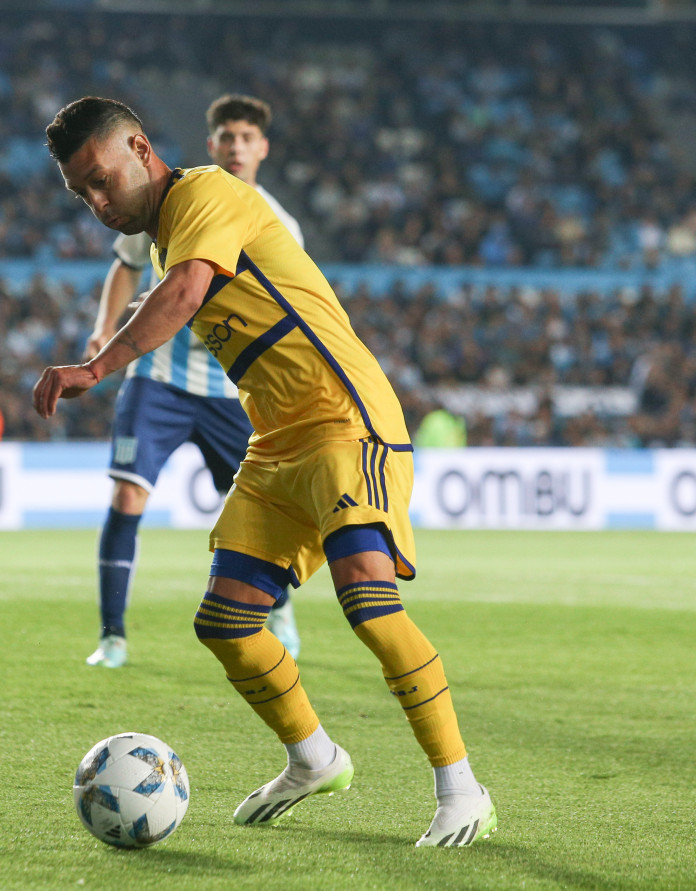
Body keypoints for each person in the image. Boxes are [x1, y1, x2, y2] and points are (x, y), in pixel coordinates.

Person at [35, 97, 495, 847]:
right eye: (80, 192)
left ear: (141, 148)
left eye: (100, 179)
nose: (95, 201)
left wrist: (97, 366)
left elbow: (185, 294)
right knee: (226, 621)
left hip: (345, 419)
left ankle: (462, 787)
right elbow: (171, 283)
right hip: (277, 439)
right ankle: (314, 756)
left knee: (369, 606)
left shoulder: (206, 191)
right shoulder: (165, 237)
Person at [84, 95, 304, 669]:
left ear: (262, 148)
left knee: (262, 510)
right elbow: (126, 265)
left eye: (245, 138)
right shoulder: (169, 202)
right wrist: (104, 329)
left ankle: (277, 607)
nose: (235, 146)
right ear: (212, 145)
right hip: (158, 377)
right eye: (226, 137)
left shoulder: (282, 224)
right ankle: (112, 635)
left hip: (233, 389)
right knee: (128, 492)